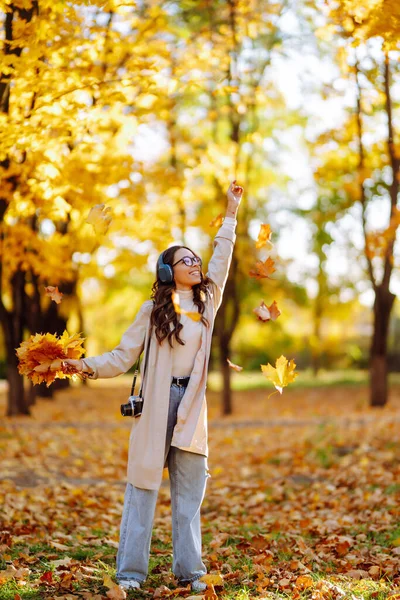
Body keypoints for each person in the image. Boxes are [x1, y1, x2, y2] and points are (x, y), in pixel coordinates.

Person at [63, 180, 243, 593]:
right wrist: (83, 366)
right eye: (185, 261)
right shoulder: (152, 310)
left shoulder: (206, 301)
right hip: (157, 403)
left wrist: (230, 212)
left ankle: (191, 573)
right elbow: (121, 357)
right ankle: (129, 575)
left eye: (196, 259)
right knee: (142, 489)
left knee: (189, 495)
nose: (195, 264)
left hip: (191, 407)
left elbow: (223, 257)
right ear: (167, 271)